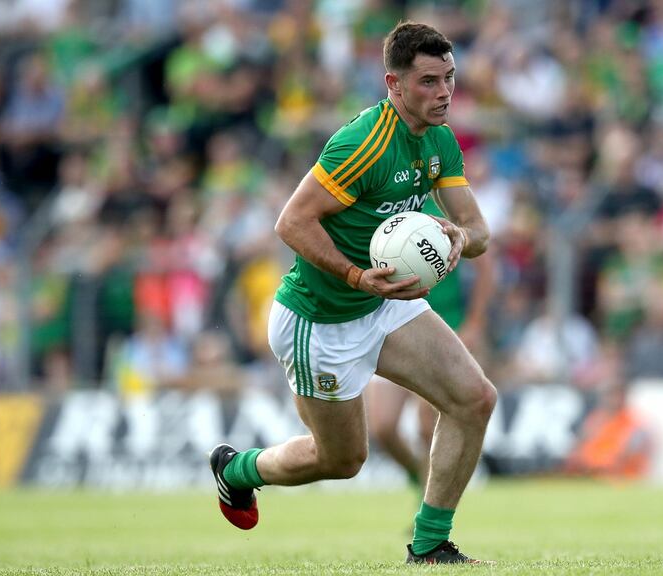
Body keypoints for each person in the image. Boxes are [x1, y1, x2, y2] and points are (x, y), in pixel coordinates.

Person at [207, 21, 496, 565]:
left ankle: (431, 544)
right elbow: (291, 222)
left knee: (474, 398)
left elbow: (480, 234)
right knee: (340, 460)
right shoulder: (362, 142)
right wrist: (356, 275)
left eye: (450, 79)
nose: (444, 93)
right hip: (320, 319)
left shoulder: (440, 140)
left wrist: (460, 234)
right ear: (394, 83)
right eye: (429, 81)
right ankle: (236, 469)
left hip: (384, 306)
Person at [365, 197, 496, 496]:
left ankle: (429, 509)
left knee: (428, 425)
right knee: (383, 426)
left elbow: (486, 266)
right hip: (393, 329)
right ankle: (420, 478)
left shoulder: (445, 209)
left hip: (444, 326)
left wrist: (474, 323)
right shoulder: (382, 208)